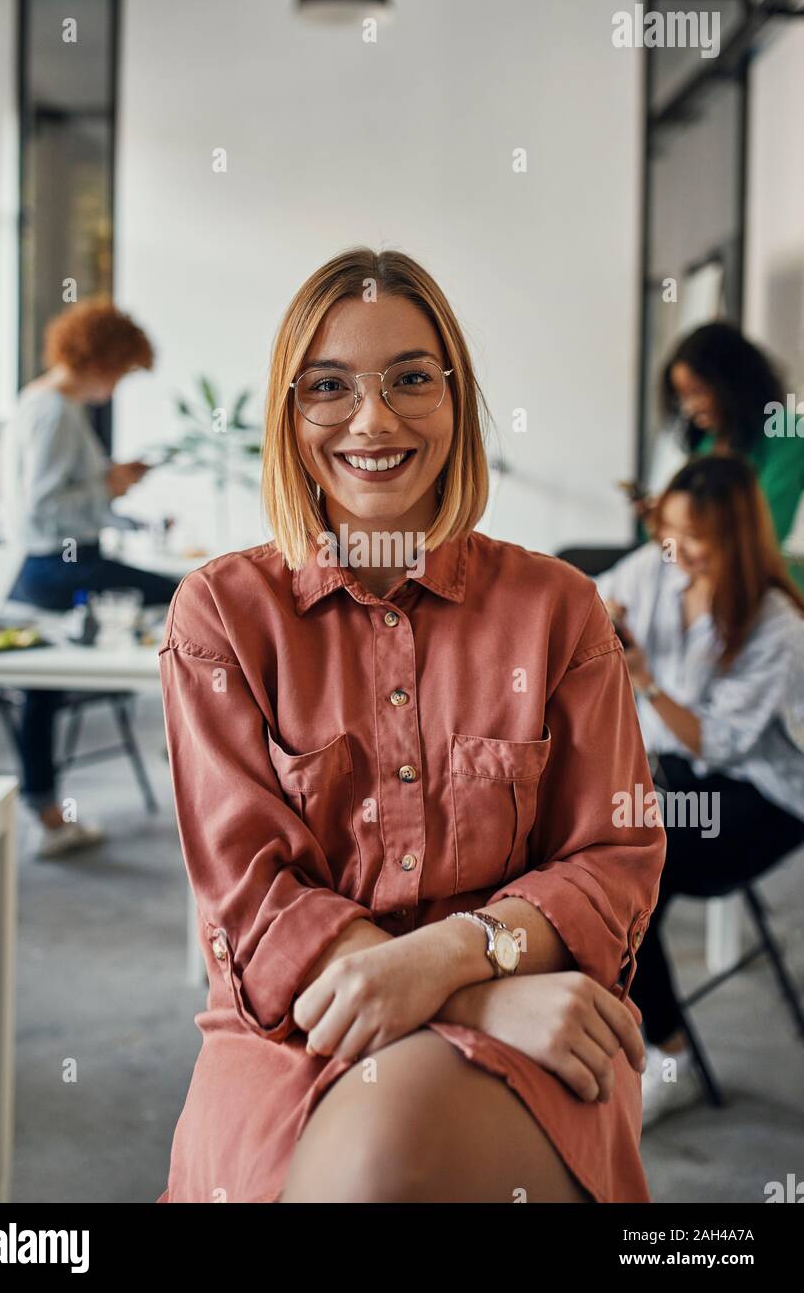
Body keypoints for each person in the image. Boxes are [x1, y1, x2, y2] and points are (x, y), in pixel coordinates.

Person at [155, 247, 665, 1205]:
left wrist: (449, 956)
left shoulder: (560, 610)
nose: (374, 419)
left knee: (385, 1168)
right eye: (330, 386)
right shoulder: (220, 615)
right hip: (301, 1024)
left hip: (538, 1008)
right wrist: (477, 994)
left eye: (411, 380)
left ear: (457, 400)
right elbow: (252, 900)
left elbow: (612, 858)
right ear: (289, 413)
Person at [596, 455, 804, 1129]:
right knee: (594, 849)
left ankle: (670, 1057)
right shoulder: (659, 565)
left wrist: (645, 679)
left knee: (631, 870)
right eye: (668, 530)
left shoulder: (778, 626)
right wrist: (602, 614)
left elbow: (716, 744)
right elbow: (594, 595)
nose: (673, 548)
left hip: (764, 795)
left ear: (736, 540)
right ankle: (636, 1030)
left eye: (693, 538)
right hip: (683, 772)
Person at [0, 297, 179, 857]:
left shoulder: (39, 401)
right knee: (192, 595)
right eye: (122, 372)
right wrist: (109, 485)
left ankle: (46, 810)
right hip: (60, 566)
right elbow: (45, 509)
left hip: (40, 568)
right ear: (103, 359)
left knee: (43, 690)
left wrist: (109, 486)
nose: (118, 383)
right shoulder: (56, 410)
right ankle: (194, 750)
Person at [659, 322, 804, 592]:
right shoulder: (709, 443)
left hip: (770, 587)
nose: (690, 408)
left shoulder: (788, 433)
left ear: (731, 383)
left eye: (698, 392)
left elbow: (767, 529)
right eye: (683, 398)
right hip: (713, 583)